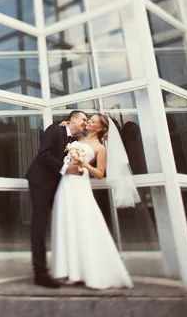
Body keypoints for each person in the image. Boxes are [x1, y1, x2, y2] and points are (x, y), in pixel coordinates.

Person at [53, 114, 140, 289]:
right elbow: (64, 137)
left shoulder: (100, 148)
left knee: (83, 222)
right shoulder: (77, 138)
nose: (88, 122)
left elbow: (100, 174)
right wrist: (64, 125)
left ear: (99, 128)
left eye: (92, 121)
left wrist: (85, 165)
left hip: (80, 182)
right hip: (66, 183)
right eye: (88, 120)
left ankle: (88, 270)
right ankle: (71, 270)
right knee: (67, 221)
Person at [25, 110, 88, 288]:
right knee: (40, 225)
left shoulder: (74, 141)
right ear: (72, 119)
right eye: (83, 119)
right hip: (40, 183)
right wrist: (65, 168)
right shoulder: (54, 129)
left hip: (58, 187)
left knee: (66, 223)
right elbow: (43, 154)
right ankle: (40, 274)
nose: (85, 123)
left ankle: (72, 270)